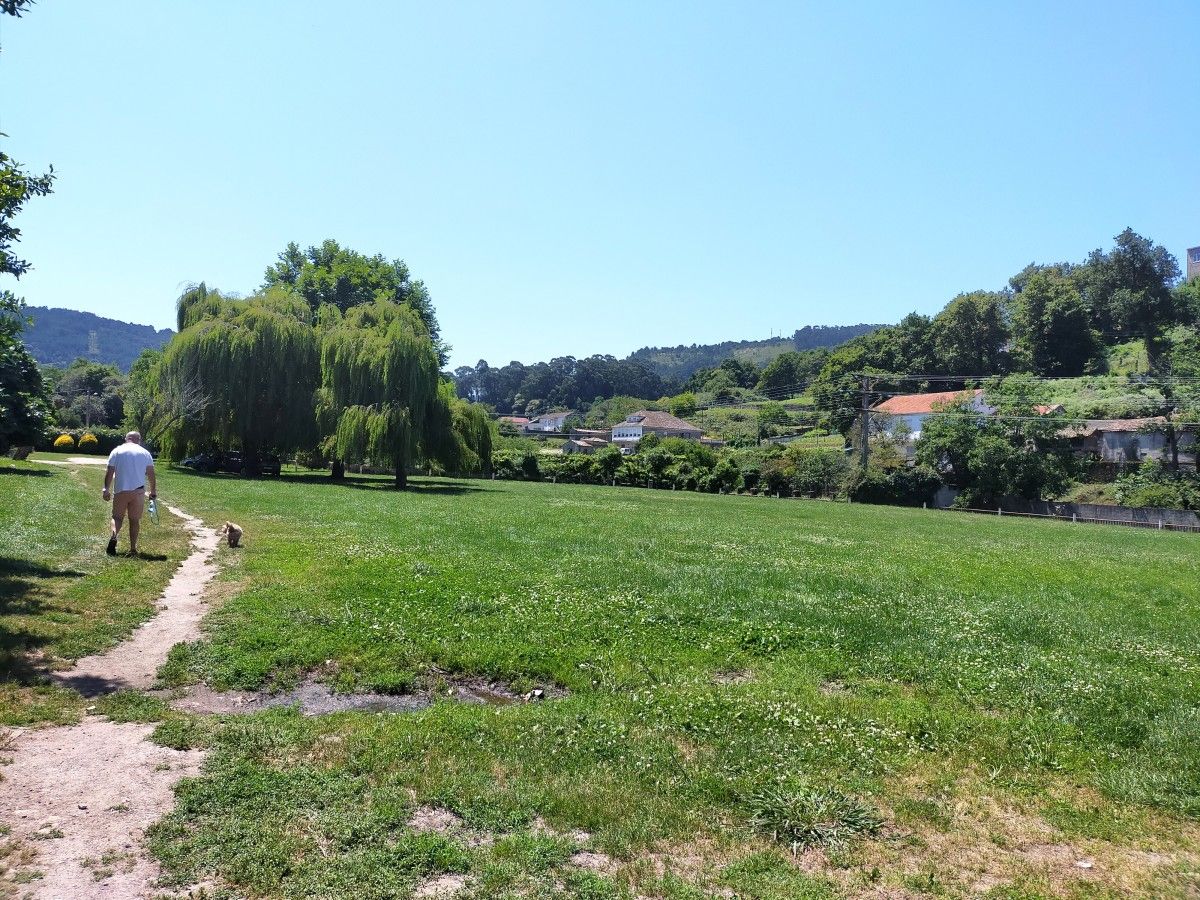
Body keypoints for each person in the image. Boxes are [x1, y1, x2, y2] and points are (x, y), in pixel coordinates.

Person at [102, 431, 157, 557]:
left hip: (121, 490)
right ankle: (132, 549)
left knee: (117, 517)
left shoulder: (117, 451)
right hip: (138, 492)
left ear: (127, 439)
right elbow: (151, 474)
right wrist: (153, 491)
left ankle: (114, 536)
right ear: (139, 440)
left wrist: (106, 488)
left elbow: (110, 471)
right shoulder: (145, 453)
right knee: (134, 520)